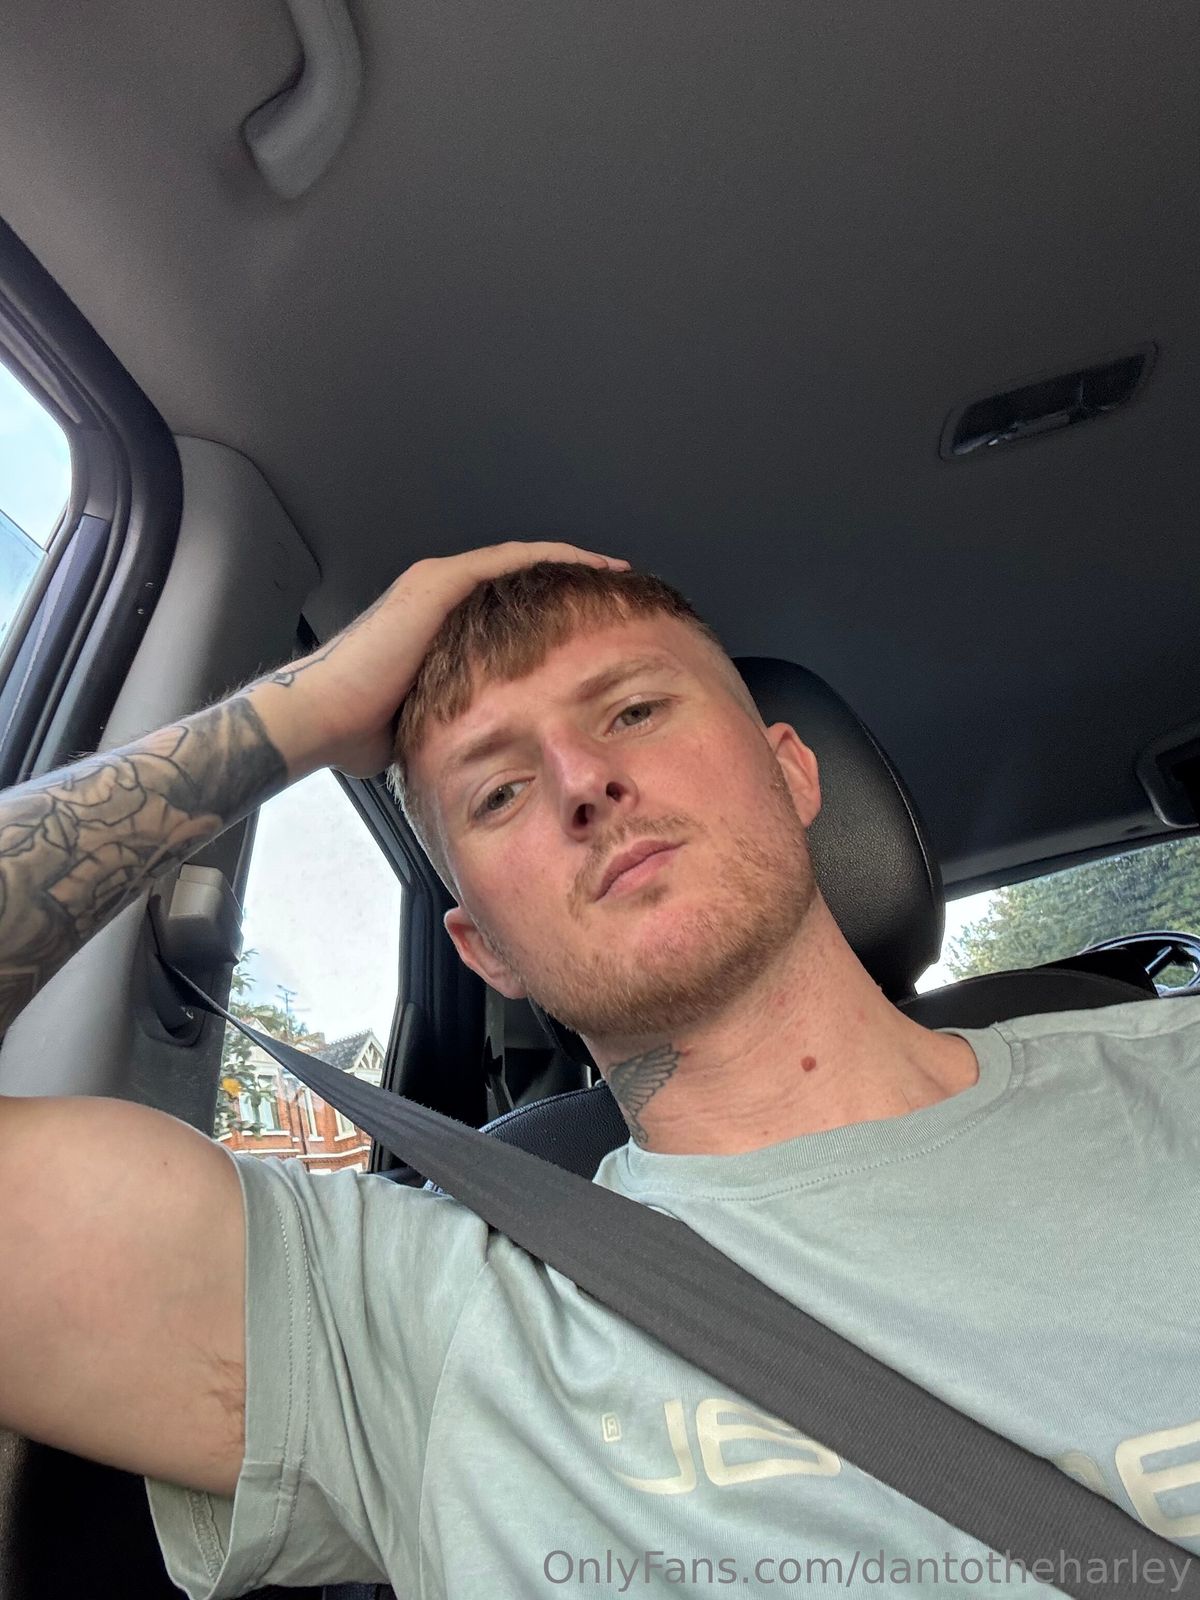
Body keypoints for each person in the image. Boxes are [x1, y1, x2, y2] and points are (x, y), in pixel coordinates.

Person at [0, 540, 1197, 1600]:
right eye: (500, 789)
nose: (584, 783)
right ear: (484, 949)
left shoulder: (1176, 1075)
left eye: (633, 710)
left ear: (792, 773)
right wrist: (301, 711)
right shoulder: (407, 1324)